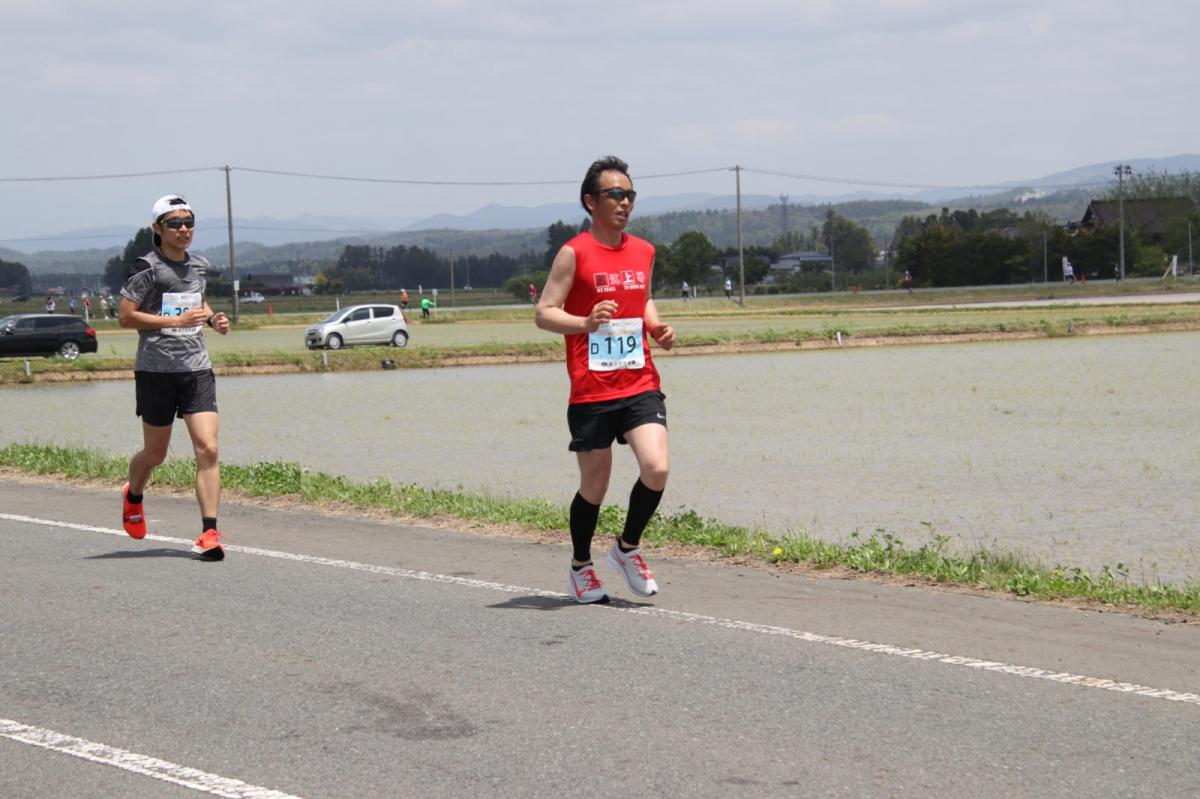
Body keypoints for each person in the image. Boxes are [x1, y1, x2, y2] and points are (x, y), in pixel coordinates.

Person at [535, 156, 675, 604]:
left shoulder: (644, 251)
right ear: (590, 201)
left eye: (630, 194)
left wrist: (655, 327)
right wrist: (585, 322)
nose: (625, 201)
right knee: (595, 486)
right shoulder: (573, 252)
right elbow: (544, 313)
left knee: (656, 468)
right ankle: (580, 566)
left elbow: (643, 298)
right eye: (615, 194)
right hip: (592, 389)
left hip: (639, 381)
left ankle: (626, 548)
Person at [118, 194, 231, 560]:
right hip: (156, 370)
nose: (183, 229)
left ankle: (209, 533)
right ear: (157, 228)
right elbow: (125, 316)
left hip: (196, 367)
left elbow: (197, 300)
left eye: (188, 222)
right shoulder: (146, 267)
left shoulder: (199, 264)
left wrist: (213, 319)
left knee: (209, 449)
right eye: (174, 223)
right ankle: (133, 494)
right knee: (156, 453)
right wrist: (174, 322)